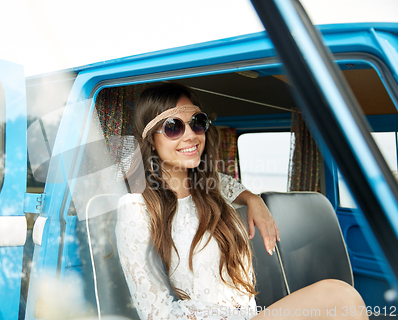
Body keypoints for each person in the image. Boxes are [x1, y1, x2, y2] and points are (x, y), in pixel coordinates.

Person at [115, 83, 367, 320]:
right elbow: (157, 314)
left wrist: (253, 199)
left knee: (342, 299)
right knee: (339, 296)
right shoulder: (135, 208)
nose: (191, 135)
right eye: (173, 127)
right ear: (150, 139)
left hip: (248, 313)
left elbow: (228, 185)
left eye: (197, 123)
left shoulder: (210, 190)